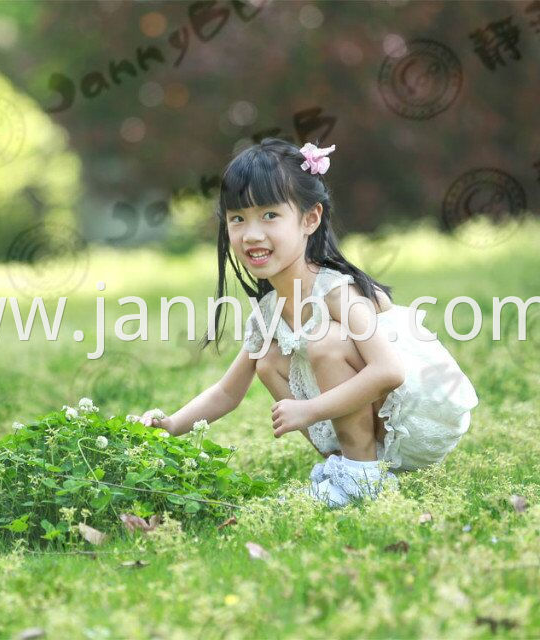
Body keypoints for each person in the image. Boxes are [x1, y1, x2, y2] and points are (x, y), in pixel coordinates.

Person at [137, 137, 479, 508]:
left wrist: (309, 410)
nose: (251, 234)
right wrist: (171, 427)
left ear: (309, 219)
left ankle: (362, 477)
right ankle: (344, 467)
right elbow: (226, 393)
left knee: (325, 341)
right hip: (373, 412)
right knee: (266, 359)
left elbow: (390, 372)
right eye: (238, 218)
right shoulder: (268, 310)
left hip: (416, 416)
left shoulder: (334, 290)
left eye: (269, 215)